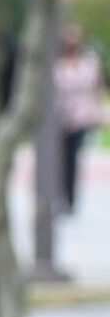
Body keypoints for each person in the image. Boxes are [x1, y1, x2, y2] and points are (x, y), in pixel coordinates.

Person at [56, 24, 103, 214]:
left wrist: (98, 115)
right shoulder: (55, 64)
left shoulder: (89, 64)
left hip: (80, 117)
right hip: (58, 118)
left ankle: (70, 199)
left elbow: (94, 92)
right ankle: (59, 195)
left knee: (72, 158)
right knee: (59, 160)